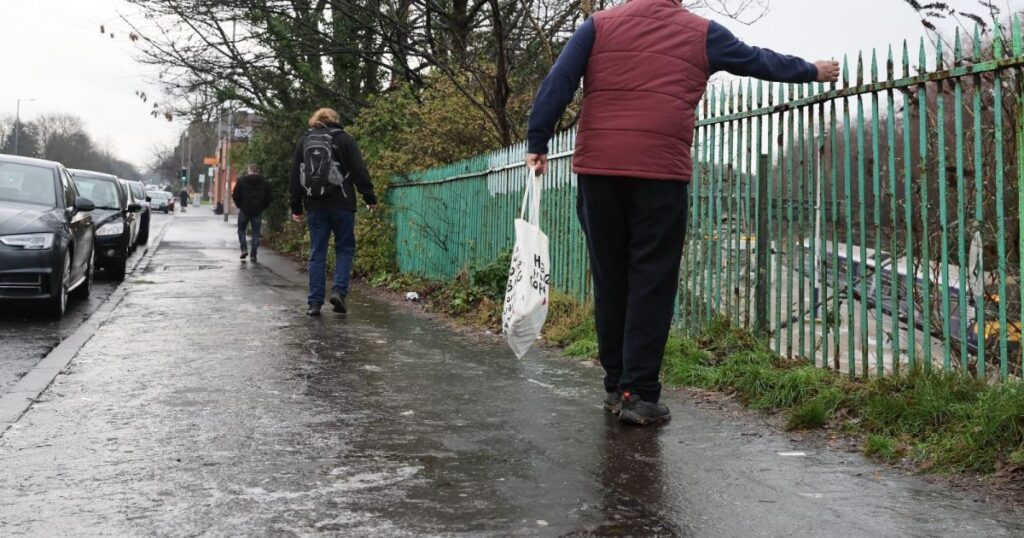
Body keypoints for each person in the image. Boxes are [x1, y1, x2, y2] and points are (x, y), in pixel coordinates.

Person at [526, 0, 840, 426]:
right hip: (659, 174)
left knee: (610, 279)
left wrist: (538, 140)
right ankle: (638, 394)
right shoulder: (701, 32)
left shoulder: (598, 25)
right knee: (651, 282)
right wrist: (811, 70)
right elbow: (757, 60)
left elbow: (559, 80)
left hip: (599, 172)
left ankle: (616, 386)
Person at [290, 107, 377, 316]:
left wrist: (296, 207)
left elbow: (295, 176)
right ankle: (339, 292)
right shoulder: (346, 140)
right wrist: (369, 198)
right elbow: (359, 170)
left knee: (317, 252)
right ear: (335, 119)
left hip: (315, 205)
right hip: (343, 204)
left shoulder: (305, 141)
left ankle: (314, 302)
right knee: (345, 249)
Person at [232, 163, 272, 262]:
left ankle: (244, 249)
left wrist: (239, 205)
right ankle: (253, 255)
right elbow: (269, 197)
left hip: (244, 210)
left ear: (248, 170)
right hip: (257, 211)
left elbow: (235, 195)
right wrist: (262, 207)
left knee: (241, 230)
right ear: (257, 171)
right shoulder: (264, 182)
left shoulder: (241, 181)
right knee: (255, 233)